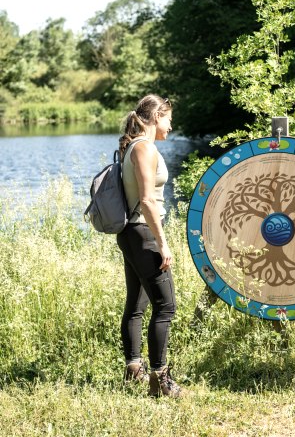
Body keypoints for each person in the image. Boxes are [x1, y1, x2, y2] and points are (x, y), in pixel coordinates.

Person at [117, 94, 181, 398]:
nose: (171, 126)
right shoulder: (143, 148)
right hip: (143, 234)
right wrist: (163, 243)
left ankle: (134, 370)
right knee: (166, 306)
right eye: (168, 119)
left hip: (132, 233)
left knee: (137, 305)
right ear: (156, 117)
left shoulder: (133, 147)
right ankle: (160, 380)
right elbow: (146, 200)